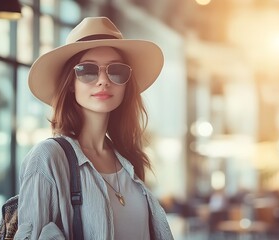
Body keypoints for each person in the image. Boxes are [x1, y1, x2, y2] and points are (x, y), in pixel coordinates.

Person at [15, 17, 174, 240]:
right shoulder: (49, 158)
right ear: (71, 83)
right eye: (87, 70)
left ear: (126, 84)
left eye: (116, 71)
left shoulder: (129, 161)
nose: (103, 80)